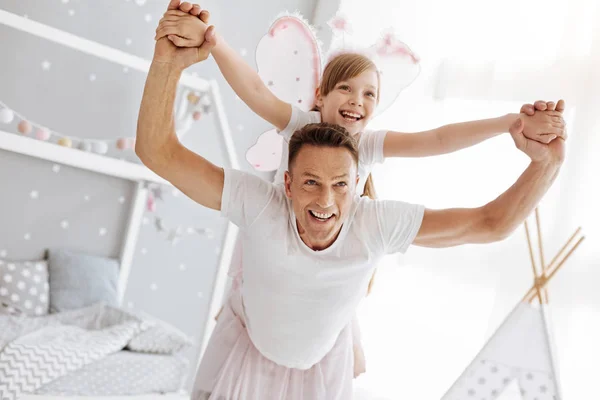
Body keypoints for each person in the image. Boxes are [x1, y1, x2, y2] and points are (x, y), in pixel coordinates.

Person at [137, 3, 566, 399]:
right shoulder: (267, 190)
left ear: (358, 179)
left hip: (321, 355)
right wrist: (205, 45)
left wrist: (525, 142)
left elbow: (478, 204)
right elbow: (236, 101)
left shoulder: (372, 204)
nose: (325, 198)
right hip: (254, 332)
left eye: (341, 184)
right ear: (287, 182)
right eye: (310, 182)